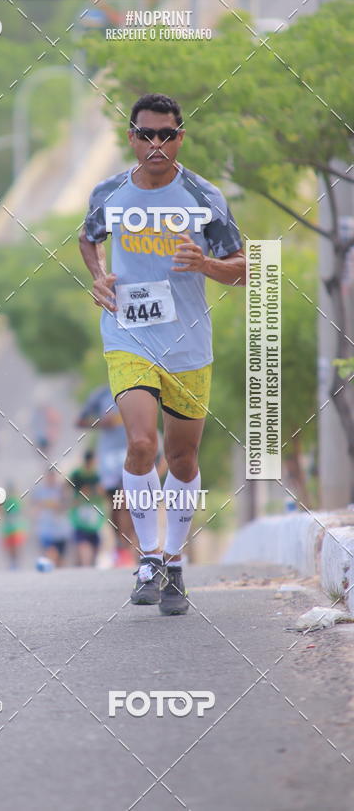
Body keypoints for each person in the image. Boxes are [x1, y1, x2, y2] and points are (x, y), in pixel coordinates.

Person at [79, 93, 245, 614]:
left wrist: (206, 265)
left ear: (180, 137)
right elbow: (88, 238)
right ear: (131, 138)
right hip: (128, 333)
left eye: (166, 135)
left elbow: (242, 267)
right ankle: (148, 556)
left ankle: (174, 560)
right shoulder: (110, 192)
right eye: (146, 134)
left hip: (189, 343)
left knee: (183, 457)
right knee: (141, 443)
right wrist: (99, 276)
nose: (156, 144)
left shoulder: (204, 196)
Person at [76, 384, 167, 567]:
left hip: (134, 451)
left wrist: (155, 475)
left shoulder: (144, 387)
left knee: (126, 501)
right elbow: (80, 421)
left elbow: (165, 457)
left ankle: (131, 548)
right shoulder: (101, 394)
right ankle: (122, 544)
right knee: (116, 506)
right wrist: (101, 422)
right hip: (109, 459)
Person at [69, 450, 106, 567]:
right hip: (81, 512)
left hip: (93, 514)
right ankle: (85, 566)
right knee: (83, 544)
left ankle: (86, 566)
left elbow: (102, 492)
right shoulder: (78, 474)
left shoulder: (97, 474)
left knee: (93, 545)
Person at [32, 468, 73, 567]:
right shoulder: (40, 490)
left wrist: (57, 505)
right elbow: (34, 507)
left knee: (61, 559)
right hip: (46, 529)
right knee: (51, 553)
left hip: (61, 530)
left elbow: (66, 505)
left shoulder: (62, 489)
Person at [0, 485, 27, 570]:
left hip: (16, 528)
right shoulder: (6, 502)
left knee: (16, 547)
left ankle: (16, 564)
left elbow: (21, 513)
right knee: (11, 548)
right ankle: (13, 564)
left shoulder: (16, 501)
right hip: (8, 528)